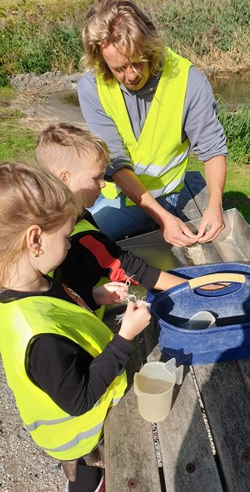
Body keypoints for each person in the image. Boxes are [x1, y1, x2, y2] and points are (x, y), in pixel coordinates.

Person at [0, 161, 152, 491]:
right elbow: (79, 398)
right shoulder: (37, 336)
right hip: (78, 431)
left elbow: (58, 305)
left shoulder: (28, 281)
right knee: (89, 471)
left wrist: (94, 295)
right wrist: (125, 337)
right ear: (36, 239)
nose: (70, 244)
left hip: (77, 404)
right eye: (67, 236)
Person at [77, 0, 227, 246]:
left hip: (164, 195)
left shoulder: (190, 83)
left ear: (149, 45)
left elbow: (212, 151)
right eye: (119, 69)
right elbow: (116, 162)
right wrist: (162, 220)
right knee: (64, 230)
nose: (132, 75)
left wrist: (215, 205)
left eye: (137, 62)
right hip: (111, 191)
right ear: (101, 61)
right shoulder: (91, 87)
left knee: (85, 241)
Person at [35, 123, 186, 318]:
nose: (103, 183)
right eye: (96, 177)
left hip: (84, 301)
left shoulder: (52, 216)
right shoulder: (80, 237)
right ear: (65, 178)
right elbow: (132, 268)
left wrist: (90, 296)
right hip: (86, 326)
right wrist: (192, 287)